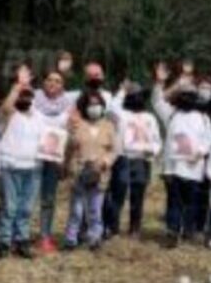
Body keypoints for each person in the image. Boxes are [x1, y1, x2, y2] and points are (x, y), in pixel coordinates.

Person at [154, 81, 211, 248]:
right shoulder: (171, 114)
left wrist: (199, 153)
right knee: (174, 202)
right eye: (183, 95)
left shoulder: (203, 118)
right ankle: (172, 232)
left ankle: (188, 231)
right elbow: (157, 101)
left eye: (190, 96)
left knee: (192, 203)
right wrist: (164, 83)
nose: (187, 99)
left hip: (194, 169)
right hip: (173, 168)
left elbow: (208, 141)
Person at [0, 78, 47, 259]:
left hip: (33, 167)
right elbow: (6, 108)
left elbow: (49, 138)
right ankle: (3, 241)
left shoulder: (39, 116)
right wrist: (17, 87)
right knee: (9, 206)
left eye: (28, 94)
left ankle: (21, 240)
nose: (25, 97)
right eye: (21, 94)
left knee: (26, 207)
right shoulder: (10, 114)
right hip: (10, 166)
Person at [63, 91, 117, 250]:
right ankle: (71, 238)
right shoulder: (77, 125)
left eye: (97, 104)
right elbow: (69, 148)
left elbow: (114, 150)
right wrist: (66, 166)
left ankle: (94, 238)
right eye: (91, 104)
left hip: (100, 174)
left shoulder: (108, 126)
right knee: (76, 210)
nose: (94, 107)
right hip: (78, 172)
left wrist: (106, 161)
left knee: (95, 209)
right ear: (84, 107)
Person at [107, 83, 162, 238]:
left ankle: (134, 229)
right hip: (122, 158)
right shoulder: (121, 114)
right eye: (134, 96)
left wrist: (153, 150)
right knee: (118, 194)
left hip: (142, 160)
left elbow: (157, 139)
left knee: (138, 196)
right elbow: (110, 109)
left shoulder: (150, 117)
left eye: (140, 96)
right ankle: (113, 228)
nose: (137, 98)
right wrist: (122, 91)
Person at [32, 69, 75, 253]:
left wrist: (66, 160)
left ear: (63, 85)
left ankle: (45, 237)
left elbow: (70, 134)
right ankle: (17, 235)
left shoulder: (69, 104)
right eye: (50, 79)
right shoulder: (33, 98)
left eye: (58, 81)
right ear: (44, 82)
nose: (53, 83)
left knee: (48, 199)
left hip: (53, 160)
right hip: (32, 157)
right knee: (26, 198)